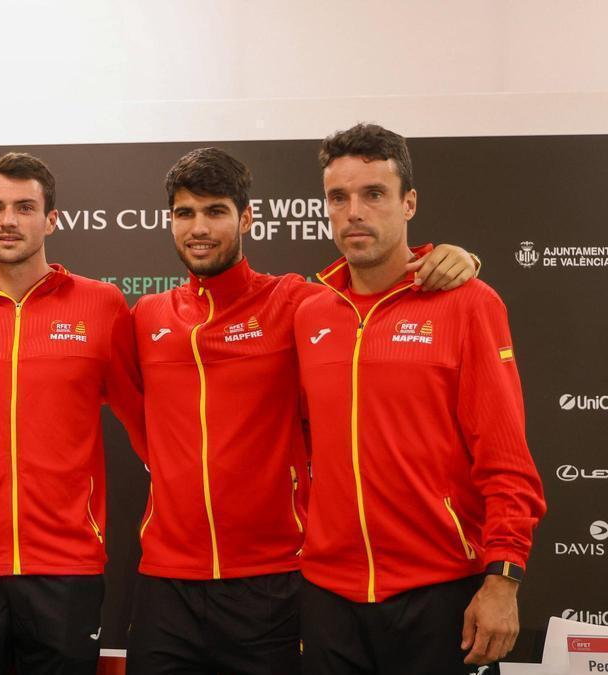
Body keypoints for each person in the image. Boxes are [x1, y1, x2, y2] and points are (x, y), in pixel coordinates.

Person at [125, 147, 479, 674]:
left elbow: (372, 292)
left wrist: (458, 257)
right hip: (166, 582)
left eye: (216, 211)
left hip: (273, 579)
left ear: (246, 218)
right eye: (185, 213)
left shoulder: (297, 303)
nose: (199, 227)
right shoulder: (144, 316)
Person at [294, 123, 545, 674]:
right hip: (328, 597)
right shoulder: (308, 311)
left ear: (409, 203)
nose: (354, 211)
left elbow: (506, 459)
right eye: (339, 197)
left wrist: (503, 580)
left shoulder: (468, 303)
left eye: (374, 194)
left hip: (441, 595)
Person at [0, 152, 147, 674]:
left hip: (66, 567)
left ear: (52, 218)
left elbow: (147, 422)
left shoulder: (101, 306)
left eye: (24, 207)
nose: (8, 220)